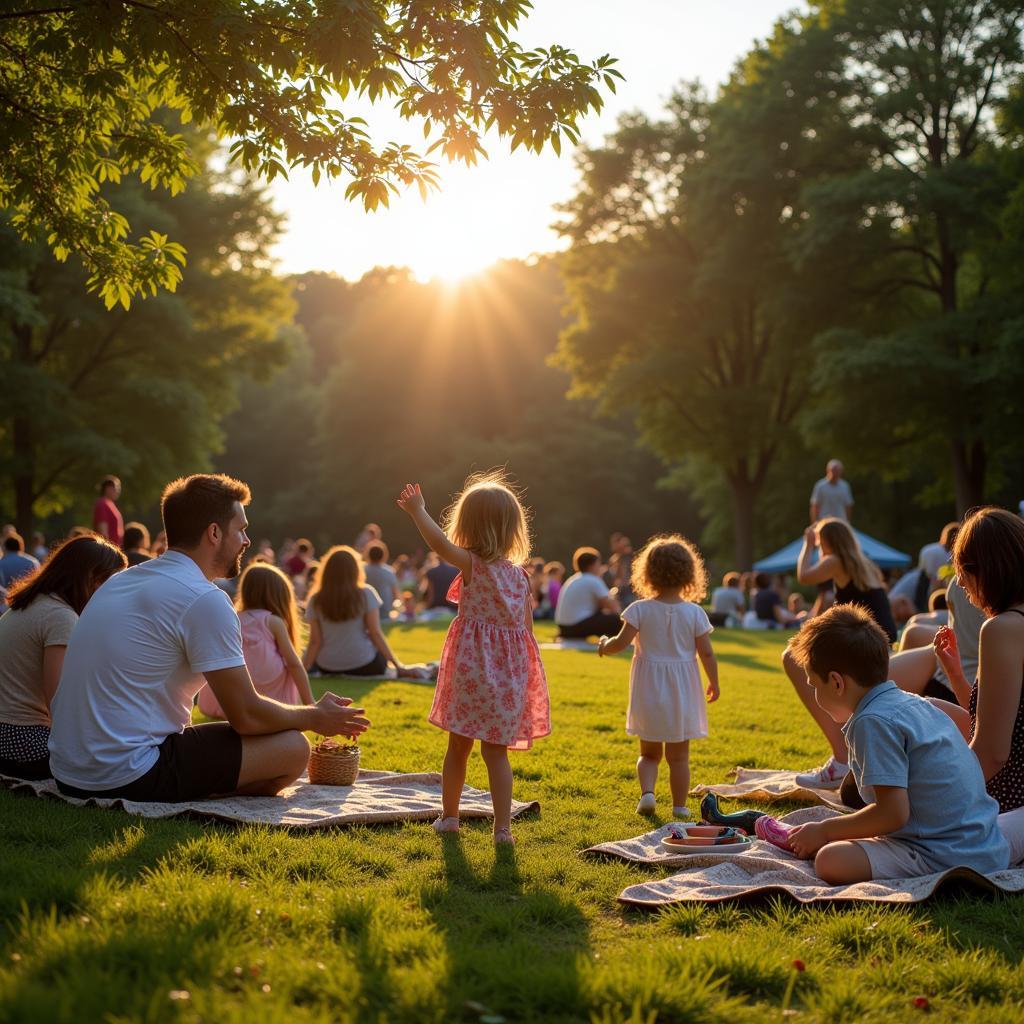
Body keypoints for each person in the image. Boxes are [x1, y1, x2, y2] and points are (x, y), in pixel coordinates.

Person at [48, 473, 369, 802]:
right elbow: (247, 715)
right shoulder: (203, 598)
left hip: (67, 770)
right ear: (214, 533)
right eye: (241, 529)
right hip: (125, 773)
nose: (246, 540)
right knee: (292, 748)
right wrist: (315, 716)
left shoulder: (121, 582)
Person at [783, 604, 1008, 883]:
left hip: (944, 853)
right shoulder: (910, 701)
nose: (815, 693)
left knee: (830, 859)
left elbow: (893, 815)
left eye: (815, 685)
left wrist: (825, 830)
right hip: (987, 843)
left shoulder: (872, 721)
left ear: (836, 683)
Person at [396, 473, 550, 844]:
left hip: (471, 671)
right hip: (508, 675)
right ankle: (502, 829)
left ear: (467, 525)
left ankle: (450, 818)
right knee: (497, 755)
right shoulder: (519, 577)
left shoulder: (471, 565)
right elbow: (527, 632)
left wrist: (418, 512)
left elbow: (438, 544)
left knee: (458, 748)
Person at [597, 534, 719, 818]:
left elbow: (620, 643)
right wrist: (714, 681)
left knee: (649, 753)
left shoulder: (639, 609)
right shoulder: (695, 613)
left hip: (649, 689)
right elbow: (707, 654)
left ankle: (648, 794)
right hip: (682, 690)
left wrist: (603, 646)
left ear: (647, 573)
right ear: (689, 573)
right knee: (679, 757)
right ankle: (679, 806)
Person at [0, 535, 127, 780]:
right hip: (20, 738)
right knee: (119, 762)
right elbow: (60, 704)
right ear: (91, 578)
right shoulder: (60, 617)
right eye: (111, 583)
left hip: (9, 733)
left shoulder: (35, 603)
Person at [931, 507, 1024, 813]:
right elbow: (1005, 723)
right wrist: (957, 676)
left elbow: (993, 754)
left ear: (988, 569)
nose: (959, 583)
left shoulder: (1002, 628)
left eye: (962, 570)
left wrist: (935, 803)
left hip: (1010, 802)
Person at [199, 563, 313, 718]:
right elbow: (294, 664)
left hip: (236, 689)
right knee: (288, 665)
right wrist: (310, 704)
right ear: (280, 596)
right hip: (268, 691)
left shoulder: (232, 618)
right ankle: (273, 708)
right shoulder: (272, 622)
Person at [303, 545, 407, 676]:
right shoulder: (366, 593)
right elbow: (375, 633)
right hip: (363, 664)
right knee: (379, 656)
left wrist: (303, 670)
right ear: (356, 569)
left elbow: (315, 641)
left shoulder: (315, 599)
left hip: (327, 666)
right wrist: (398, 666)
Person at [554, 547, 622, 640]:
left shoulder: (573, 579)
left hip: (564, 628)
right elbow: (614, 608)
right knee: (616, 620)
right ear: (592, 565)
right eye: (598, 563)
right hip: (575, 627)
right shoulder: (593, 579)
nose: (600, 567)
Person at [363, 541, 399, 620]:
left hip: (364, 612)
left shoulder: (362, 571)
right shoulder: (389, 571)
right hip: (385, 613)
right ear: (384, 556)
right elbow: (396, 594)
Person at [919, 522, 959, 587]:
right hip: (943, 587)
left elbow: (922, 570)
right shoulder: (956, 554)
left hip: (929, 587)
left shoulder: (926, 549)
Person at [92, 475, 124, 548]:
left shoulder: (110, 504)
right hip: (108, 550)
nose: (118, 491)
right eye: (116, 488)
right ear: (107, 488)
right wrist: (108, 552)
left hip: (114, 549)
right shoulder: (102, 503)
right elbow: (103, 531)